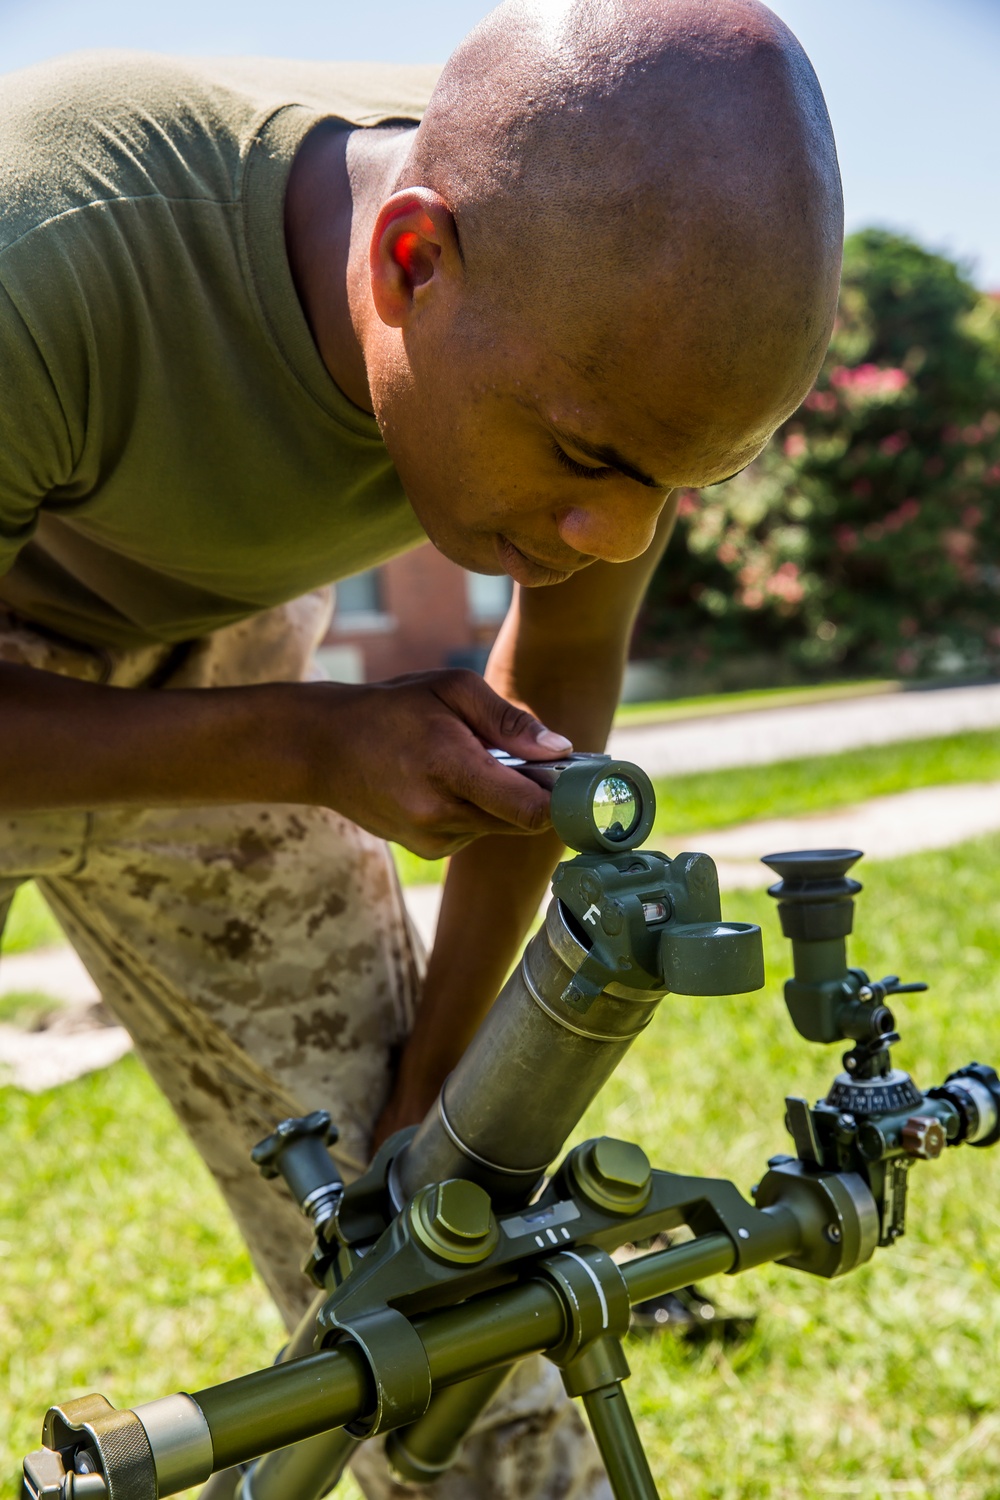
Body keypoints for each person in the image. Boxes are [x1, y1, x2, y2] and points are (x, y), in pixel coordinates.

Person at [0, 0, 843, 1493]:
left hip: (230, 654)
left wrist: (444, 1100)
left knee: (442, 1287)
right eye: (589, 461)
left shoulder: (618, 290)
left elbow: (560, 678)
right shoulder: (55, 240)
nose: (615, 537)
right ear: (411, 262)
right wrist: (307, 746)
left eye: (676, 486)